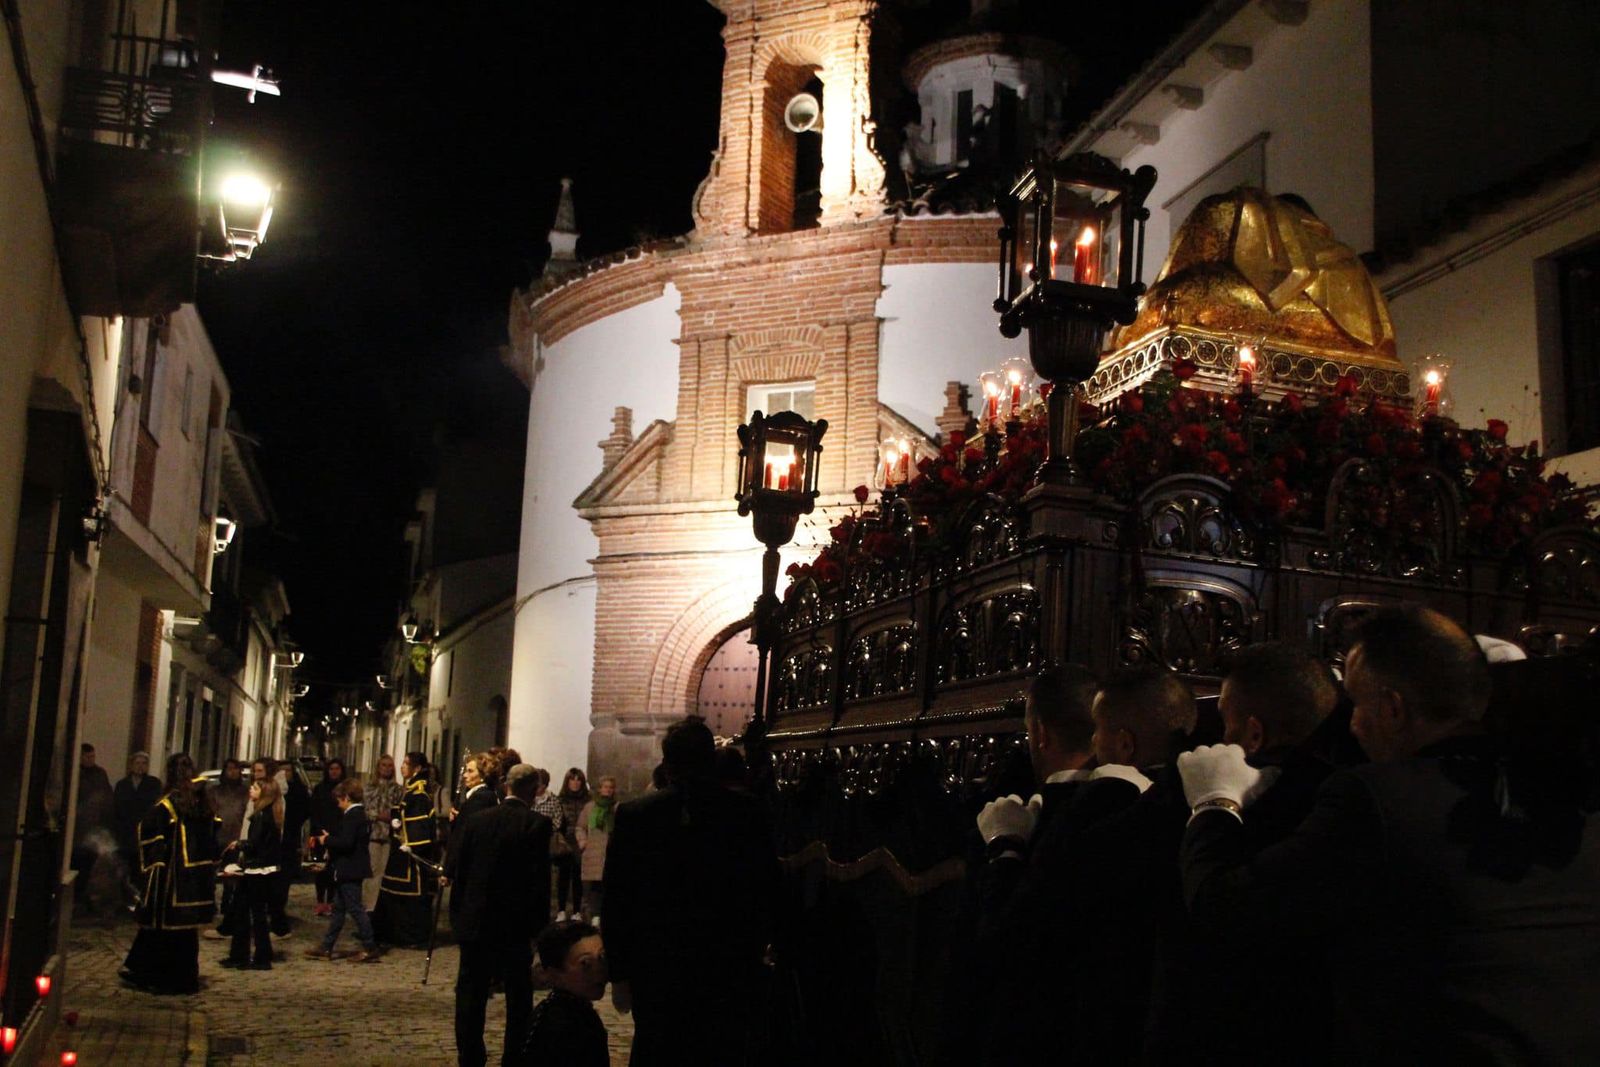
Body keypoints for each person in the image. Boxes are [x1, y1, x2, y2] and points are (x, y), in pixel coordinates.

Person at [1179, 605, 1600, 1064]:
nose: (1353, 725)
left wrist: (1213, 800)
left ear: (1393, 708)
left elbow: (1227, 906)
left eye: (1356, 704)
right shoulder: (1571, 790)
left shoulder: (1376, 798)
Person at [971, 665, 1147, 1065]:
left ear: (1039, 734)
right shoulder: (1150, 807)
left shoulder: (1059, 817)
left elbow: (1002, 946)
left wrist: (1004, 848)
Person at [603, 716, 780, 1065]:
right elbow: (762, 887)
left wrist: (620, 972)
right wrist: (757, 948)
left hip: (657, 963)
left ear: (667, 763)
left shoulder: (636, 815)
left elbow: (617, 898)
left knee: (657, 1047)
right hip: (725, 961)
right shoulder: (744, 812)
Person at [447, 763, 552, 1067]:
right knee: (518, 996)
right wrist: (539, 929)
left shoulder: (477, 820)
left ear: (507, 786)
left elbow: (462, 871)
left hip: (476, 920)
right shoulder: (535, 824)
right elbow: (538, 882)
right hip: (515, 924)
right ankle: (514, 1056)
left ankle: (470, 1055)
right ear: (534, 790)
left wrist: (459, 915)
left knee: (471, 994)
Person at [120, 753, 218, 994]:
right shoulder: (202, 800)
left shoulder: (170, 803)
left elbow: (150, 830)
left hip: (171, 878)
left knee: (164, 927)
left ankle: (160, 976)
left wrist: (155, 858)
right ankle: (183, 977)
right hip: (194, 880)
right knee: (186, 930)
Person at [305, 778, 381, 963]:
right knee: (339, 909)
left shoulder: (353, 816)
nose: (338, 804)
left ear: (346, 797)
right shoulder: (358, 815)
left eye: (339, 799)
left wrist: (327, 840)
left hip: (350, 869)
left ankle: (370, 947)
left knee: (356, 909)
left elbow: (347, 842)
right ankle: (326, 947)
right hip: (348, 868)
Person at [519, 920, 609, 1067]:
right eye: (585, 964)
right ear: (554, 974)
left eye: (602, 958)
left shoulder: (566, 1011)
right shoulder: (564, 1024)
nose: (599, 969)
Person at [372, 751, 439, 947]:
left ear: (416, 769)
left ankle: (412, 936)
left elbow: (418, 825)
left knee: (411, 896)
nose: (402, 767)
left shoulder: (418, 794)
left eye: (406, 763)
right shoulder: (411, 791)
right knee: (391, 891)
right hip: (399, 850)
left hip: (408, 853)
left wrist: (409, 843)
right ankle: (387, 932)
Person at [220, 776, 283, 970]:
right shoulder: (267, 813)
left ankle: (257, 957)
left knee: (254, 913)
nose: (251, 790)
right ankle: (243, 955)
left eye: (255, 788)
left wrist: (239, 844)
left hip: (257, 870)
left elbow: (257, 843)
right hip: (258, 868)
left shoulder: (262, 815)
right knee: (246, 911)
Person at [205, 759, 250, 940]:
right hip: (216, 837)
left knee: (232, 875)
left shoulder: (244, 792)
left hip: (235, 837)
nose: (233, 772)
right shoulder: (214, 791)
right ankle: (209, 904)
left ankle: (228, 905)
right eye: (229, 769)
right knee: (211, 873)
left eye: (236, 769)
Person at [72, 743, 117, 916]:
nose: (91, 760)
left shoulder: (99, 774)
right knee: (76, 864)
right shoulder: (77, 774)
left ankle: (86, 899)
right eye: (88, 757)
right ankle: (76, 899)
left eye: (93, 757)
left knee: (89, 866)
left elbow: (106, 799)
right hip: (78, 829)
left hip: (95, 829)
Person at [113, 751, 162, 895]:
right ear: (131, 765)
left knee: (141, 868)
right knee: (124, 867)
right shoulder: (122, 785)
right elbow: (117, 808)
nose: (140, 766)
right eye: (137, 763)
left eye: (144, 763)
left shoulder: (153, 784)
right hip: (126, 833)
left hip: (145, 833)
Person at [364, 754, 404, 912]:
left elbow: (400, 809)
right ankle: (368, 907)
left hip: (390, 836)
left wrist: (393, 819)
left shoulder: (398, 789)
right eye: (383, 765)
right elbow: (365, 809)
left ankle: (380, 908)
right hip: (373, 834)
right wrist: (379, 816)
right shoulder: (369, 787)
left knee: (384, 872)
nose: (387, 768)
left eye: (390, 765)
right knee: (371, 871)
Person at [575, 776, 616, 927]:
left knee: (607, 885)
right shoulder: (590, 807)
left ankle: (604, 915)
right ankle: (595, 915)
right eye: (605, 787)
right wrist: (583, 841)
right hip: (593, 850)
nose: (608, 790)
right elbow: (580, 827)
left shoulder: (616, 808)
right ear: (599, 789)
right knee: (594, 887)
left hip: (609, 851)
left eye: (610, 787)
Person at [308, 758, 346, 916]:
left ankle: (331, 901)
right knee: (320, 869)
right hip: (320, 833)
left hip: (337, 834)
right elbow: (314, 811)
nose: (334, 771)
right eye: (331, 769)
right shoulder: (320, 789)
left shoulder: (345, 789)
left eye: (337, 768)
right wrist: (316, 832)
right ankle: (320, 901)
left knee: (333, 870)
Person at [531, 768, 567, 920]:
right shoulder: (528, 799)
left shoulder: (553, 800)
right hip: (529, 843)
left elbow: (557, 821)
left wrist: (542, 830)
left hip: (546, 844)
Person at [555, 768, 589, 919]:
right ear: (567, 781)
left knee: (578, 877)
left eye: (578, 779)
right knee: (563, 876)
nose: (575, 783)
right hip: (565, 840)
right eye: (572, 779)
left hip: (582, 841)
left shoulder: (588, 800)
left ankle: (576, 910)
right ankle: (561, 910)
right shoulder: (560, 799)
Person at [453, 751, 501, 827]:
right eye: (466, 771)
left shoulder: (480, 798)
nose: (464, 775)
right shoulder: (484, 795)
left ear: (483, 775)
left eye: (470, 771)